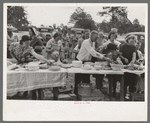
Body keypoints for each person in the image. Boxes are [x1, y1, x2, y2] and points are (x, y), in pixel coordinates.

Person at [74, 30, 112, 95]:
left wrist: (101, 52)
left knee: (86, 78)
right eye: (95, 37)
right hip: (80, 61)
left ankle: (85, 93)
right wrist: (104, 58)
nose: (96, 38)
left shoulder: (93, 42)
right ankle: (76, 93)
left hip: (87, 61)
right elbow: (93, 52)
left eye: (97, 37)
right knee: (78, 78)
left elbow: (93, 51)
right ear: (91, 36)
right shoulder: (86, 42)